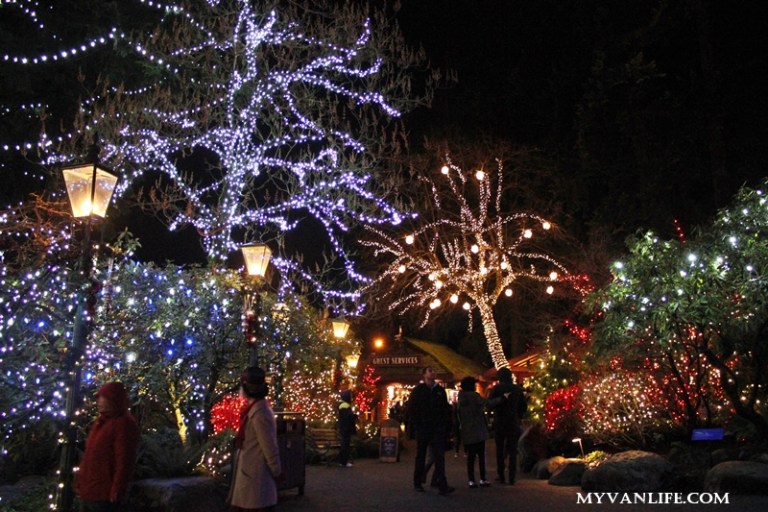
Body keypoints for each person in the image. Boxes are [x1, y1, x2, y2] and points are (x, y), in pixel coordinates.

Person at [75, 381, 140, 512]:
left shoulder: (122, 424)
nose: (98, 401)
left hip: (104, 494)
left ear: (112, 400)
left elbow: (124, 460)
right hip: (90, 491)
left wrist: (117, 490)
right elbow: (90, 456)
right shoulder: (101, 422)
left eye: (102, 398)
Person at [227, 367, 283, 512]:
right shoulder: (254, 410)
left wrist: (276, 470)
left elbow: (269, 446)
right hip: (251, 475)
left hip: (256, 478)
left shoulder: (260, 413)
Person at [406, 367, 455, 495]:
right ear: (424, 375)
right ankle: (417, 482)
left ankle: (442, 485)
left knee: (439, 456)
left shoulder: (440, 391)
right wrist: (417, 425)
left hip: (437, 428)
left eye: (434, 370)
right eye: (430, 370)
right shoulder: (418, 391)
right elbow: (411, 408)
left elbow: (445, 410)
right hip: (424, 428)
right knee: (421, 455)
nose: (433, 372)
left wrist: (447, 427)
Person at [488, 367, 527, 484]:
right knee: (512, 449)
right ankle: (512, 476)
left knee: (499, 450)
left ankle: (501, 475)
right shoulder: (517, 389)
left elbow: (490, 404)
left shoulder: (496, 389)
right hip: (513, 421)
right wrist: (519, 416)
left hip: (500, 421)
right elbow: (523, 406)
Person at [338, 389, 356, 467]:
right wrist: (354, 416)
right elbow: (347, 417)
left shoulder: (343, 405)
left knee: (344, 444)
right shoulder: (345, 406)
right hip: (346, 429)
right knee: (345, 445)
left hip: (344, 428)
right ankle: (344, 462)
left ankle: (342, 461)